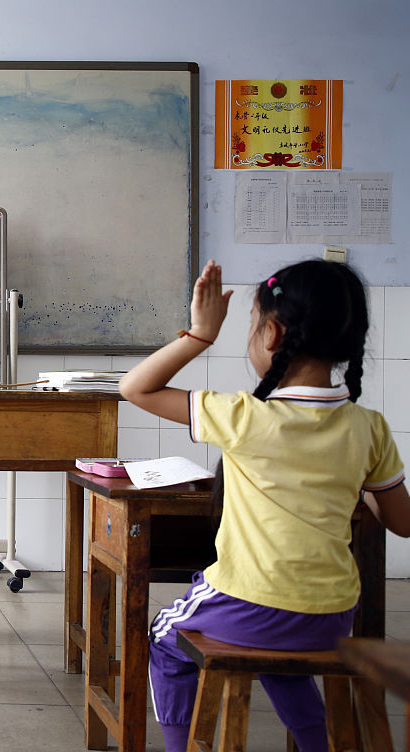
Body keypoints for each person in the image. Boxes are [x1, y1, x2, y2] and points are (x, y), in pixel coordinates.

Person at [118, 259, 410, 752]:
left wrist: (200, 335)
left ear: (272, 333)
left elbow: (134, 388)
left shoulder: (242, 415)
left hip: (248, 603)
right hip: (332, 614)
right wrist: (353, 480)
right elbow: (400, 522)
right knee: (281, 657)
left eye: (252, 326)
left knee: (165, 639)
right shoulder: (370, 428)